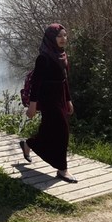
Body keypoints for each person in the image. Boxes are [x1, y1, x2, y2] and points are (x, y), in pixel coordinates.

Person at [20, 24, 77, 183]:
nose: (63, 39)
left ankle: (28, 144)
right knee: (63, 131)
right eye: (59, 36)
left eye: (65, 36)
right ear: (51, 38)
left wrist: (68, 99)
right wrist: (32, 105)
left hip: (59, 97)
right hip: (47, 99)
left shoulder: (62, 55)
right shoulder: (43, 57)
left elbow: (64, 81)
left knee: (47, 131)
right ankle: (62, 170)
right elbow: (36, 83)